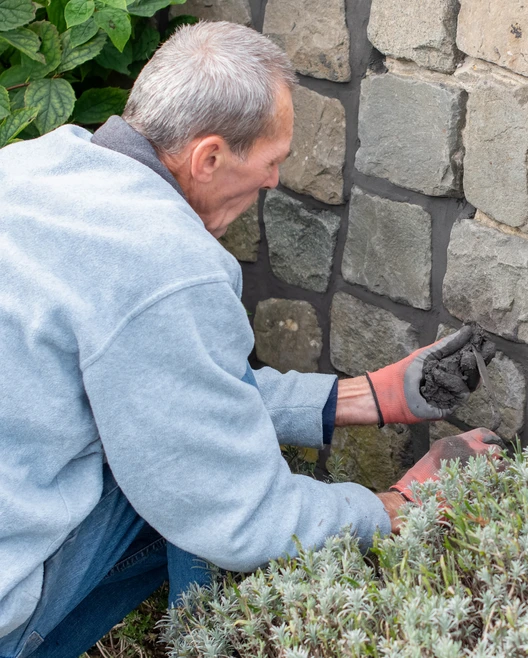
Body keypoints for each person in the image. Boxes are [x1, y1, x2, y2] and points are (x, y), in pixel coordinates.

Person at [0, 21, 500, 658]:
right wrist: (394, 508)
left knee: (173, 446)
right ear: (209, 157)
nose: (274, 182)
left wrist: (370, 397)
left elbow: (166, 383)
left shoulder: (29, 166)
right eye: (272, 161)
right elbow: (232, 507)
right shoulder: (166, 263)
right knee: (192, 488)